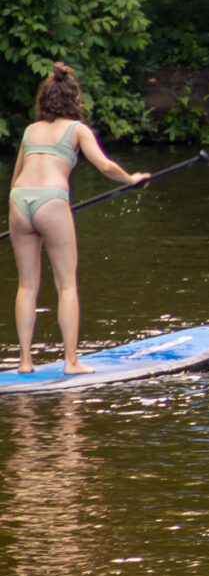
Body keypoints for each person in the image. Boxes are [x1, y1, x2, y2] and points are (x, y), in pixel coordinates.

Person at [9, 63, 149, 375]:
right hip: (51, 200)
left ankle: (25, 362)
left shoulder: (30, 131)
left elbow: (16, 178)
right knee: (67, 286)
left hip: (19, 201)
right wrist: (131, 179)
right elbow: (105, 166)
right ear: (74, 99)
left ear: (44, 99)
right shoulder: (78, 129)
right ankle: (71, 362)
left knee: (27, 285)